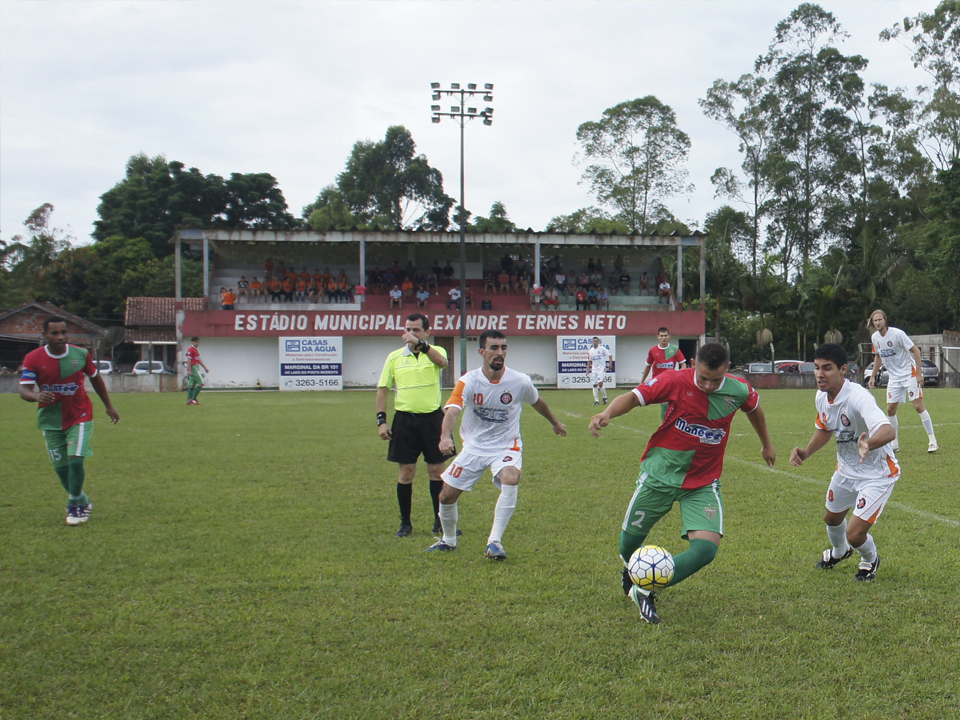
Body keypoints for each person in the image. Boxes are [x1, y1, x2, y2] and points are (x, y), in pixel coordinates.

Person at [589, 343, 776, 624]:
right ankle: (633, 570)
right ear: (692, 364)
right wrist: (607, 414)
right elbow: (634, 397)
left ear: (728, 369)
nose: (709, 385)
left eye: (716, 379)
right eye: (703, 378)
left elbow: (755, 410)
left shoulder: (738, 389)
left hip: (703, 482)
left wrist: (766, 444)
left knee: (705, 549)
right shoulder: (673, 381)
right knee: (628, 545)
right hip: (659, 475)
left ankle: (645, 587)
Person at [428, 330, 567, 558]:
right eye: (494, 348)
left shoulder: (519, 380)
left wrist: (554, 422)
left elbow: (537, 401)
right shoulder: (468, 381)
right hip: (474, 447)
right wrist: (445, 436)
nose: (500, 352)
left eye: (503, 347)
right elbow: (452, 411)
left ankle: (494, 542)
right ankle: (449, 541)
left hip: (506, 445)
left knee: (511, 478)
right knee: (446, 496)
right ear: (482, 352)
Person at [790, 343, 896, 583]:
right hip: (846, 470)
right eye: (817, 368)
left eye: (827, 368)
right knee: (831, 519)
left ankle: (870, 560)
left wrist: (868, 444)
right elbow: (825, 428)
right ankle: (840, 551)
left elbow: (888, 431)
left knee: (855, 534)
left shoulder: (858, 397)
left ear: (843, 369)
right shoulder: (821, 396)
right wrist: (805, 453)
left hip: (876, 474)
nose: (819, 374)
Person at [19, 317, 120, 525]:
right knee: (61, 469)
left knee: (75, 460)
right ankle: (83, 500)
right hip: (50, 419)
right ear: (44, 335)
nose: (60, 337)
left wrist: (108, 405)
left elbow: (95, 378)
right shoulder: (33, 358)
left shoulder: (81, 354)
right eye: (54, 333)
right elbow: (23, 389)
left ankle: (74, 505)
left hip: (80, 415)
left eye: (63, 332)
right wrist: (37, 396)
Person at [376, 314, 451, 537]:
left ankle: (440, 522)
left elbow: (442, 362)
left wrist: (422, 345)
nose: (411, 333)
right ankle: (405, 524)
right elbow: (383, 390)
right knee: (406, 473)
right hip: (405, 421)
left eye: (417, 330)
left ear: (427, 332)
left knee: (437, 472)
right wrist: (381, 421)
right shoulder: (394, 357)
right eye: (408, 329)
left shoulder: (436, 352)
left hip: (433, 419)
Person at [868, 310, 938, 453]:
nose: (877, 323)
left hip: (909, 374)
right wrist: (872, 376)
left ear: (885, 320)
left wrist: (918, 374)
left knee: (918, 406)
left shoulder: (898, 334)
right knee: (890, 409)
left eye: (879, 319)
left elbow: (916, 351)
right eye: (875, 320)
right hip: (894, 377)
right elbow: (878, 357)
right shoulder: (875, 338)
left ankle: (932, 441)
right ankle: (894, 443)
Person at [185, 336, 210, 405]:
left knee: (192, 385)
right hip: (193, 368)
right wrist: (190, 370)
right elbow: (189, 359)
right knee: (201, 383)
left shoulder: (196, 349)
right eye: (196, 342)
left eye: (198, 342)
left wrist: (205, 367)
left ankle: (188, 401)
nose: (197, 343)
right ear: (192, 342)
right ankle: (193, 399)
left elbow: (198, 359)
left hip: (195, 367)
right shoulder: (190, 349)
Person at [588, 336, 612, 405]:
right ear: (592, 342)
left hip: (601, 368)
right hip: (594, 369)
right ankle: (596, 401)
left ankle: (605, 397)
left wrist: (610, 364)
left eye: (596, 341)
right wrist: (587, 369)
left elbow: (610, 355)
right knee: (594, 384)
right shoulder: (591, 351)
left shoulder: (602, 349)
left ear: (598, 342)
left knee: (600, 383)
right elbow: (589, 361)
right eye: (594, 341)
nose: (595, 342)